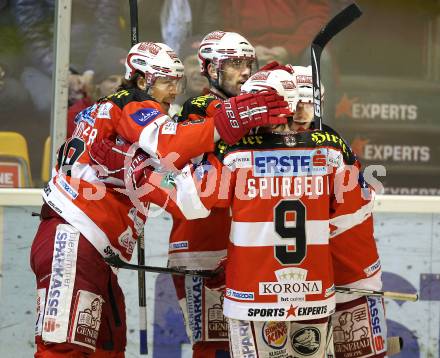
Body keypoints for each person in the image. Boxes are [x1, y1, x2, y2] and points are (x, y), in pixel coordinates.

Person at [30, 40, 288, 357]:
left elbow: (184, 196)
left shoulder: (119, 131)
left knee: (106, 348)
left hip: (93, 249)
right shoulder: (130, 104)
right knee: (63, 349)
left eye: (177, 82)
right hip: (72, 238)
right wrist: (230, 120)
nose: (173, 92)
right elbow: (172, 143)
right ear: (141, 81)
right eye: (166, 82)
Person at [168, 65, 388, 358]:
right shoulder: (331, 149)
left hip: (252, 294)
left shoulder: (235, 152)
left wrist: (151, 172)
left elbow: (190, 201)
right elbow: (358, 201)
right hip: (313, 292)